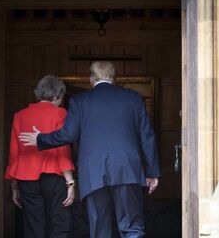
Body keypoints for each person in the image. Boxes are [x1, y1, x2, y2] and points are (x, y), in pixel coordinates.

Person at [19, 61, 160, 238]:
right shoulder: (134, 99)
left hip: (93, 172)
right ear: (113, 79)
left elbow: (67, 135)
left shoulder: (79, 101)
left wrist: (40, 138)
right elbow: (147, 136)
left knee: (100, 228)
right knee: (132, 227)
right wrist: (152, 172)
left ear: (91, 79)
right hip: (127, 170)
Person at [4, 75, 76, 238]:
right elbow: (62, 148)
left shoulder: (20, 116)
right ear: (56, 96)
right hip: (54, 175)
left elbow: (14, 152)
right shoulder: (60, 114)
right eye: (61, 97)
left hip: (26, 176)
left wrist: (14, 185)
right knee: (59, 223)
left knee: (33, 226)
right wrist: (70, 182)